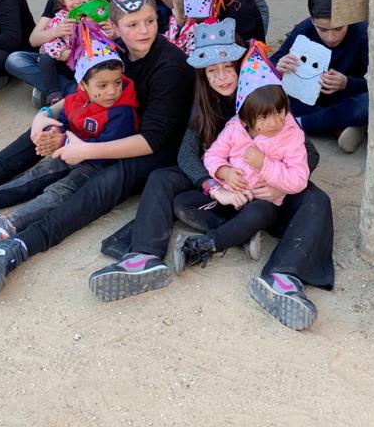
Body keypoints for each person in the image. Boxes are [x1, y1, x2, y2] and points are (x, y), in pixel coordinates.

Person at [0, 0, 194, 298]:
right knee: (48, 130)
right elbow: (84, 93)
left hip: (153, 150)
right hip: (112, 125)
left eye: (150, 21)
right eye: (133, 24)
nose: (144, 30)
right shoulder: (117, 49)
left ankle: (17, 246)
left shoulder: (170, 67)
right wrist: (47, 114)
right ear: (114, 25)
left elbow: (153, 141)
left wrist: (85, 150)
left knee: (98, 180)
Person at [89, 18, 333, 331]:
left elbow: (310, 154)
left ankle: (283, 277)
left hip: (269, 187)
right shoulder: (204, 102)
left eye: (228, 67)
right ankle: (143, 257)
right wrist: (215, 183)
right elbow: (187, 155)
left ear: (240, 65)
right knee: (162, 178)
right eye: (212, 71)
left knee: (318, 201)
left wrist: (278, 186)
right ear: (203, 75)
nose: (221, 77)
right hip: (224, 184)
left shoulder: (266, 96)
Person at [0, 21, 139, 239]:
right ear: (82, 85)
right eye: (102, 85)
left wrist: (63, 142)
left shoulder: (121, 112)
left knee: (59, 192)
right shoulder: (76, 100)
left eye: (117, 83)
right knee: (37, 174)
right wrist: (53, 133)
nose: (112, 91)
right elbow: (67, 121)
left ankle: (10, 223)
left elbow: (107, 150)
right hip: (71, 153)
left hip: (97, 167)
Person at [170, 43, 309, 273]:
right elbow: (212, 155)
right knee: (182, 203)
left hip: (260, 200)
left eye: (280, 112)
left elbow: (299, 178)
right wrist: (224, 173)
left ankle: (207, 244)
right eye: (264, 117)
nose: (275, 122)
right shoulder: (235, 127)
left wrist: (264, 165)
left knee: (260, 213)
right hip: (228, 195)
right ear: (246, 116)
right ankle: (240, 235)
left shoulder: (290, 133)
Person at [273, 0, 368, 154]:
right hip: (309, 99)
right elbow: (271, 64)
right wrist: (279, 66)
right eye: (323, 30)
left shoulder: (363, 32)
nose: (331, 37)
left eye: (338, 29)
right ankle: (338, 126)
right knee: (273, 93)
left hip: (349, 99)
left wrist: (347, 83)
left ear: (349, 18)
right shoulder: (304, 29)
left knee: (367, 104)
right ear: (312, 19)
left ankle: (300, 124)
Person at [6, 0, 94, 105]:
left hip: (86, 64)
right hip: (63, 62)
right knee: (38, 60)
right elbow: (43, 44)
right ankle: (56, 94)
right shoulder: (60, 18)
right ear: (63, 0)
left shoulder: (95, 15)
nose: (78, 2)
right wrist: (61, 50)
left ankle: (57, 90)